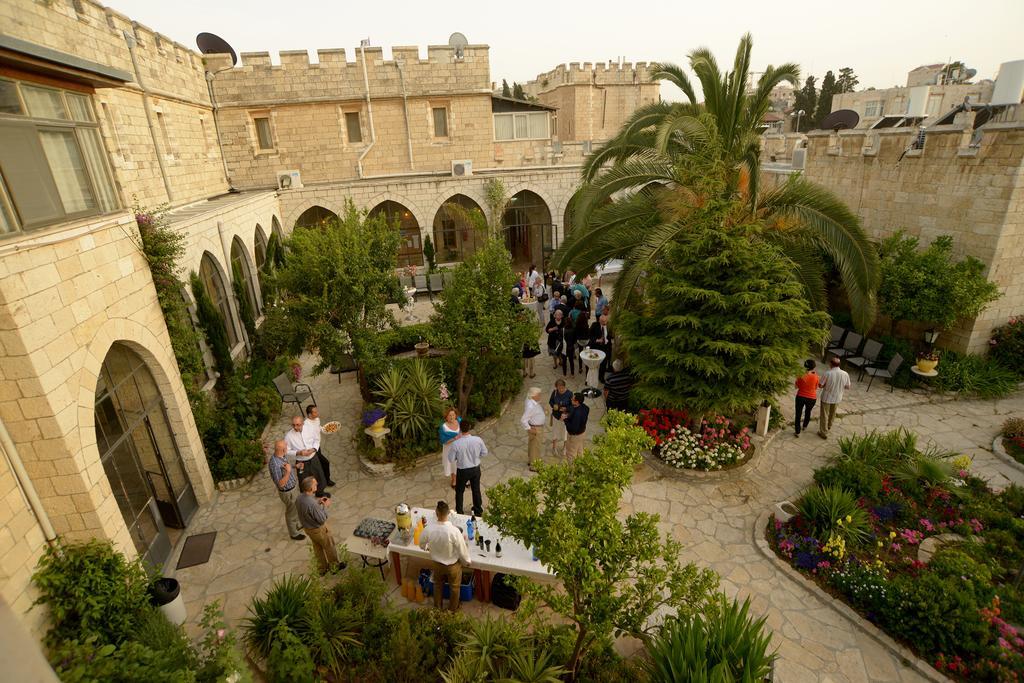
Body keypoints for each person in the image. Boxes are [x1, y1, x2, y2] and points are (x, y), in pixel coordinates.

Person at [419, 500, 471, 611]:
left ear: (436, 513)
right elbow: (462, 549)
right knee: (455, 588)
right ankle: (452, 611)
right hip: (452, 566)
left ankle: (438, 609)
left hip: (437, 564)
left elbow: (421, 544)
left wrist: (427, 548)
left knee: (437, 586)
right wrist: (467, 561)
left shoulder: (429, 529)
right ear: (448, 514)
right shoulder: (454, 531)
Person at [295, 476, 345, 575]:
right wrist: (325, 506)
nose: (317, 484)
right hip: (318, 530)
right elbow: (322, 519)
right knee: (329, 546)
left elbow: (308, 510)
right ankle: (334, 567)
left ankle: (322, 569)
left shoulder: (300, 498)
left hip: (308, 529)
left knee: (318, 548)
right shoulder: (312, 504)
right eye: (315, 484)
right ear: (310, 488)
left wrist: (318, 502)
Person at [447, 420, 487, 516]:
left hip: (462, 470)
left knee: (459, 491)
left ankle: (460, 512)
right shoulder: (478, 440)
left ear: (460, 429)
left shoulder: (456, 444)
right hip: (475, 469)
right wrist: (476, 456)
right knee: (476, 489)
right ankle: (478, 511)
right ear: (469, 428)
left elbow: (451, 459)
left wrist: (458, 457)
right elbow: (485, 453)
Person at [267, 439, 304, 541]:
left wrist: (294, 466)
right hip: (288, 493)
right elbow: (281, 484)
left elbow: (286, 467)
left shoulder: (281, 456)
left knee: (296, 508)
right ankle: (294, 534)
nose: (287, 448)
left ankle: (297, 525)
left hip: (293, 488)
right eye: (286, 447)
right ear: (283, 449)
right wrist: (288, 472)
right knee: (291, 512)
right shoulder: (274, 464)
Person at [285, 416, 329, 497]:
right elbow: (287, 451)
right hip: (301, 463)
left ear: (303, 423)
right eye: (293, 425)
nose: (295, 427)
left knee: (319, 476)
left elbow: (317, 439)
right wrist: (298, 452)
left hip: (313, 458)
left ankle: (320, 493)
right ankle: (306, 499)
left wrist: (313, 449)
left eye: (298, 425)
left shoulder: (310, 429)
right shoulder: (288, 436)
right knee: (303, 481)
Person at [818, 356, 852, 439]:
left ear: (831, 364)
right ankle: (829, 426)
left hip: (827, 397)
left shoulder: (828, 373)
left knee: (824, 415)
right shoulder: (845, 374)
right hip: (837, 397)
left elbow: (820, 385)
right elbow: (848, 387)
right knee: (832, 413)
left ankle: (823, 432)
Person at [303, 405, 335, 487]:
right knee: (325, 463)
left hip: (317, 447)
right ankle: (325, 481)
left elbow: (318, 427)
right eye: (315, 412)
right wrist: (313, 449)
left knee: (321, 465)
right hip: (312, 449)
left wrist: (324, 429)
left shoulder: (316, 419)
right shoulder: (306, 426)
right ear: (310, 415)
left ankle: (325, 480)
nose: (317, 413)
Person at [520, 386, 547, 471]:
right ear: (533, 396)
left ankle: (531, 460)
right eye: (538, 394)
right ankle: (534, 466)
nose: (540, 396)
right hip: (536, 428)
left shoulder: (530, 400)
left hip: (534, 426)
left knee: (532, 445)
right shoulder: (531, 406)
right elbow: (523, 420)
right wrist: (530, 429)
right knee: (536, 447)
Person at [794, 359, 819, 438]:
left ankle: (797, 431)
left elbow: (796, 386)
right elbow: (816, 387)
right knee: (808, 412)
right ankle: (805, 426)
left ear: (805, 366)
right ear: (813, 367)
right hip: (812, 398)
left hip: (801, 396)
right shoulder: (816, 376)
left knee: (798, 414)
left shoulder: (801, 375)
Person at [548, 379, 573, 456]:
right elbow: (551, 401)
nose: (560, 390)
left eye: (561, 388)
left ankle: (565, 448)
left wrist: (566, 409)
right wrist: (555, 406)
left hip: (565, 416)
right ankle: (554, 447)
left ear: (564, 386)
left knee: (565, 432)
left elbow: (572, 406)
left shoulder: (569, 393)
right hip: (556, 416)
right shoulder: (555, 392)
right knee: (555, 431)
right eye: (558, 388)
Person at [563, 392, 590, 459]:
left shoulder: (577, 414)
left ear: (577, 402)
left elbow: (573, 428)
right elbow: (573, 408)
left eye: (572, 399)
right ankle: (580, 467)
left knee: (570, 454)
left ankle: (572, 469)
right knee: (579, 451)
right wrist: (567, 410)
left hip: (574, 436)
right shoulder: (585, 407)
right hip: (582, 433)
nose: (571, 400)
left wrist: (565, 419)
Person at [439, 407, 461, 487]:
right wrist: (454, 438)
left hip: (459, 448)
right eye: (449, 415)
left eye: (453, 415)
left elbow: (463, 431)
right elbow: (443, 441)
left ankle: (462, 479)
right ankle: (454, 480)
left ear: (456, 415)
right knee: (452, 464)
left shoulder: (459, 421)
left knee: (460, 464)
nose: (452, 417)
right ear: (446, 417)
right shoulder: (443, 427)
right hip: (449, 449)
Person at [588, 312, 613, 383]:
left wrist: (608, 339)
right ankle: (592, 376)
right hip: (596, 347)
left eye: (605, 321)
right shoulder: (594, 325)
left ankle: (601, 377)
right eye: (602, 322)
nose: (604, 323)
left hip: (606, 347)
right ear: (599, 320)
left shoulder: (608, 326)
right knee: (595, 363)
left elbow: (610, 335)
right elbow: (589, 335)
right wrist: (597, 340)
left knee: (604, 364)